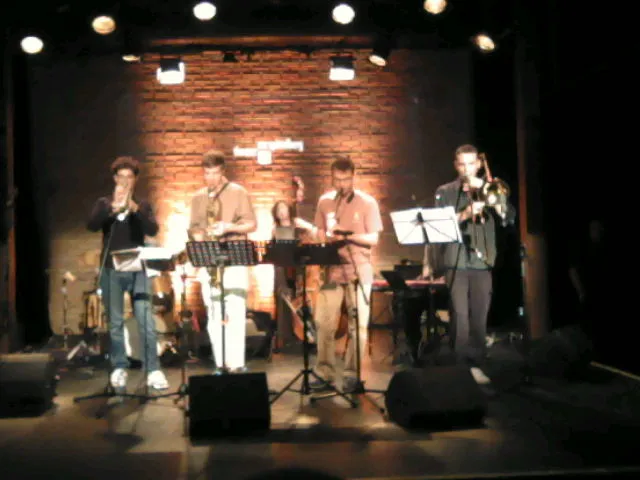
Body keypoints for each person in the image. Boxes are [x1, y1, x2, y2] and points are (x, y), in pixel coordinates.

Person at [422, 144, 515, 384]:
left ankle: (477, 364)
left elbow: (508, 217)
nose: (467, 169)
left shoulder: (489, 187)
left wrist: (492, 198)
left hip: (482, 260)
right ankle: (461, 368)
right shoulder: (445, 191)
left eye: (471, 164)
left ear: (478, 165)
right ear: (456, 165)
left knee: (479, 318)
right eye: (462, 164)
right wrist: (464, 214)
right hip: (456, 260)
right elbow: (438, 226)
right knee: (460, 317)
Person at [87, 156, 169, 390]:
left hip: (138, 270)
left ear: (135, 180)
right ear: (115, 179)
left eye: (129, 177)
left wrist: (134, 208)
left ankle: (153, 369)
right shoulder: (104, 203)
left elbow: (152, 229)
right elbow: (91, 225)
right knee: (115, 323)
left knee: (146, 321)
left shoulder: (142, 205)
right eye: (121, 177)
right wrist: (111, 208)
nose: (124, 181)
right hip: (112, 270)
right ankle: (119, 367)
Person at [310, 156, 383, 393]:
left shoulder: (367, 202)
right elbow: (319, 231)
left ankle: (353, 374)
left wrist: (348, 235)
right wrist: (320, 235)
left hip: (358, 269)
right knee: (324, 323)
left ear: (353, 177)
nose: (342, 184)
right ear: (331, 178)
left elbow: (373, 238)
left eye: (346, 179)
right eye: (337, 180)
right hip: (332, 270)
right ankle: (324, 372)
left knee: (358, 325)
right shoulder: (324, 202)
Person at [188, 149, 257, 373]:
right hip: (210, 261)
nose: (211, 178)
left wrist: (228, 227)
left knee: (235, 312)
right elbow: (193, 228)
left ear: (223, 171)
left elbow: (251, 224)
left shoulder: (238, 192)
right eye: (207, 173)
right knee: (214, 313)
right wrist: (199, 236)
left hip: (234, 258)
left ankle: (236, 365)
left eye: (215, 173)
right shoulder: (198, 197)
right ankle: (220, 364)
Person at [271, 196, 317, 347]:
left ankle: (307, 334)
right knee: (284, 299)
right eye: (279, 210)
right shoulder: (275, 229)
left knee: (301, 300)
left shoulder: (297, 225)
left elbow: (313, 234)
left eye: (284, 209)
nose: (282, 212)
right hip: (282, 269)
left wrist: (305, 226)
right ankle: (285, 336)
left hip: (298, 268)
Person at [568, 218, 606, 340]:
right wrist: (581, 292)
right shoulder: (583, 249)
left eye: (599, 229)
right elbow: (572, 270)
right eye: (594, 229)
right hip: (587, 297)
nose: (597, 232)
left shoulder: (601, 248)